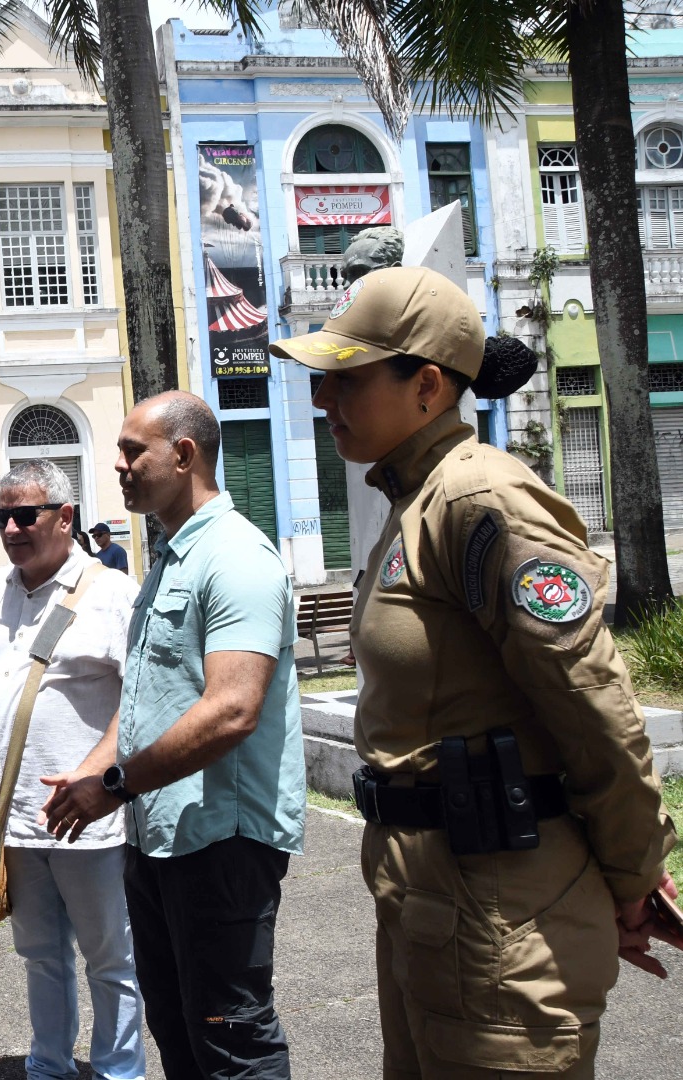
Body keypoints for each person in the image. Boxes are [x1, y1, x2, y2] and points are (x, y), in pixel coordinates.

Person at [269, 265, 680, 1079]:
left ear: (426, 385)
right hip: (433, 910)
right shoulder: (415, 502)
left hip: (502, 924)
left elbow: (595, 707)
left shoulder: (479, 501)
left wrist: (633, 877)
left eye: (344, 379)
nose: (323, 401)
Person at [42, 390, 305, 1080]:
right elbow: (145, 702)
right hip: (159, 837)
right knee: (180, 1026)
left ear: (184, 454)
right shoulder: (168, 561)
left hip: (221, 842)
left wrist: (116, 784)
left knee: (230, 1033)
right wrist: (93, 773)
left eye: (134, 452)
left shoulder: (236, 557)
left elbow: (231, 709)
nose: (120, 466)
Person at [0, 460, 145, 1080]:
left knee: (108, 956)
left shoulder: (112, 593)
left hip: (84, 815)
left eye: (25, 515)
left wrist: (101, 776)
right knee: (39, 953)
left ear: (65, 517)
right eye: (1, 517)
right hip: (8, 815)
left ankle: (119, 1069)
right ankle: (49, 1064)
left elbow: (142, 698)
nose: (11, 528)